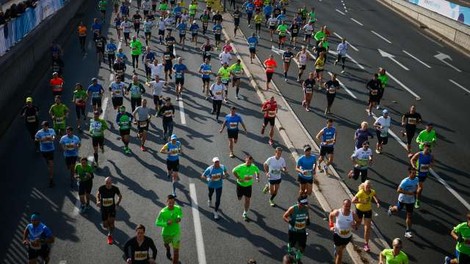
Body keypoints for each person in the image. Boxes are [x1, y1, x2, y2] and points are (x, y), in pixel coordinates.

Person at [388, 167, 419, 239]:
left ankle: (407, 231)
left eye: (415, 173)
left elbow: (417, 186)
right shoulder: (405, 181)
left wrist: (416, 192)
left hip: (411, 200)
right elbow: (398, 190)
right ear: (409, 173)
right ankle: (391, 209)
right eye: (413, 173)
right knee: (398, 210)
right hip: (403, 199)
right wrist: (408, 193)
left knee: (409, 215)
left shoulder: (417, 179)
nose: (414, 174)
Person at [352, 180, 380, 252]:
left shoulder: (372, 191)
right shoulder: (361, 192)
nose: (368, 187)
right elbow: (353, 201)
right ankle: (352, 226)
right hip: (359, 210)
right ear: (364, 186)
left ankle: (366, 244)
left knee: (367, 228)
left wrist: (377, 202)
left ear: (370, 187)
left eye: (369, 186)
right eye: (366, 186)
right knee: (358, 223)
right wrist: (361, 201)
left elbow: (375, 195)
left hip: (368, 210)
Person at [329, 199, 360, 264]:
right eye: (346, 206)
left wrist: (355, 226)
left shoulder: (352, 214)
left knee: (342, 248)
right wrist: (331, 225)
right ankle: (338, 255)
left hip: (347, 237)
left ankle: (337, 252)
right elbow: (331, 215)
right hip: (337, 236)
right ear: (343, 205)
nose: (347, 208)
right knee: (340, 255)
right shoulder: (337, 212)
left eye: (349, 206)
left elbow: (358, 221)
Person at [156, 195, 183, 264]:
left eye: (173, 202)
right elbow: (157, 222)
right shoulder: (162, 212)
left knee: (176, 252)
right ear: (167, 202)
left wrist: (179, 218)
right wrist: (166, 223)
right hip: (166, 233)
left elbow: (180, 214)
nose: (171, 204)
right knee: (166, 244)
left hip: (176, 232)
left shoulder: (178, 208)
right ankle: (168, 249)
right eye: (170, 202)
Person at [283, 195, 310, 264]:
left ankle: (298, 258)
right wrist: (290, 221)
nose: (303, 206)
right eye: (301, 204)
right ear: (298, 203)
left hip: (302, 230)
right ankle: (289, 248)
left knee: (303, 246)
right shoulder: (292, 208)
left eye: (304, 204)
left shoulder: (306, 208)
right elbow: (284, 216)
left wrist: (308, 219)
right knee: (292, 244)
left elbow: (307, 215)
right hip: (293, 231)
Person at [233, 155, 260, 221]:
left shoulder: (253, 167)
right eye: (248, 162)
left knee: (247, 200)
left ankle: (245, 212)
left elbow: (257, 171)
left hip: (248, 186)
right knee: (239, 198)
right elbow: (233, 171)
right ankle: (240, 196)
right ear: (245, 160)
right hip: (240, 185)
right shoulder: (241, 167)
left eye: (250, 162)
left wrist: (257, 177)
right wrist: (238, 178)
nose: (249, 163)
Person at [97, 177, 122, 245]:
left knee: (111, 223)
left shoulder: (115, 188)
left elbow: (120, 196)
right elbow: (98, 194)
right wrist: (98, 201)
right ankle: (110, 229)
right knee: (105, 225)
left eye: (109, 183)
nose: (108, 184)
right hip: (104, 209)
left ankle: (110, 235)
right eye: (106, 183)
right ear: (105, 183)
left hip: (112, 208)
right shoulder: (101, 188)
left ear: (111, 183)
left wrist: (117, 204)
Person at [410, 142, 433, 209]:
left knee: (417, 186)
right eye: (426, 149)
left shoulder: (431, 156)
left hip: (425, 173)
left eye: (428, 149)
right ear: (424, 147)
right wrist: (414, 166)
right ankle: (417, 200)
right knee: (420, 188)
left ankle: (415, 193)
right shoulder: (419, 154)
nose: (427, 151)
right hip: (418, 173)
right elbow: (412, 160)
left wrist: (430, 166)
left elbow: (432, 162)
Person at [35, 121, 56, 187]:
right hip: (44, 150)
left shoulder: (51, 130)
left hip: (51, 149)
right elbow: (36, 139)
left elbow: (54, 137)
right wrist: (41, 140)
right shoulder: (39, 132)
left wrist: (51, 138)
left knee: (51, 164)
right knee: (48, 164)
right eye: (42, 126)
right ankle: (50, 170)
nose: (43, 127)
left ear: (47, 126)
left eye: (44, 126)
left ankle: (51, 179)